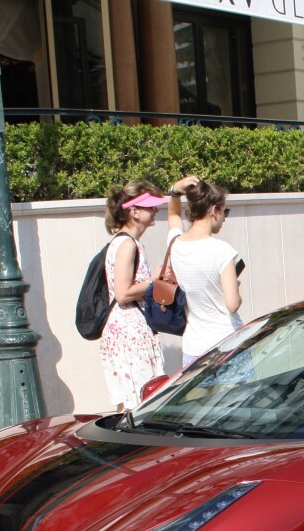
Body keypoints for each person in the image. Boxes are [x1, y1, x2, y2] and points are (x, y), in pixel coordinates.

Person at [100, 179, 168, 411]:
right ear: (134, 211)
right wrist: (155, 280)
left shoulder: (123, 243)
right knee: (140, 401)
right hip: (129, 331)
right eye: (150, 206)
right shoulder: (128, 244)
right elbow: (122, 293)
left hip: (124, 329)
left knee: (132, 402)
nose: (156, 211)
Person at [167, 176, 243, 367]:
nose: (224, 218)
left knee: (198, 398)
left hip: (194, 349)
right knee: (235, 398)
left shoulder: (175, 245)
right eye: (224, 211)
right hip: (226, 343)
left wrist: (175, 190)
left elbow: (173, 216)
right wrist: (236, 288)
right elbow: (232, 304)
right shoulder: (222, 250)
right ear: (214, 210)